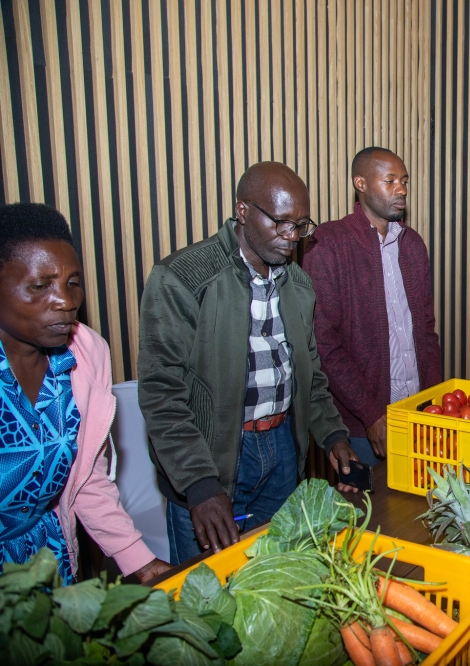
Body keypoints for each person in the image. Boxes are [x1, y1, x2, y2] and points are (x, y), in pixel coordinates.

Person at [138, 162, 359, 565]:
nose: (291, 237)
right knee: (209, 599)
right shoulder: (182, 279)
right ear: (242, 210)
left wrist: (333, 436)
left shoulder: (300, 285)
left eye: (301, 224)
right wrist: (199, 483)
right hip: (212, 459)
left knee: (277, 581)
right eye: (280, 223)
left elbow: (309, 375)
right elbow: (161, 396)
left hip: (281, 452)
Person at [0, 203, 170, 583]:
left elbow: (86, 480)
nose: (65, 301)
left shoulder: (87, 354)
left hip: (53, 563)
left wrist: (141, 562)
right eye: (40, 286)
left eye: (72, 282)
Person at [303, 147, 441, 465]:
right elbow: (324, 345)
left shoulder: (413, 245)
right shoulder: (329, 246)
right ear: (361, 183)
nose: (402, 189)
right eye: (390, 180)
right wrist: (370, 414)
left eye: (404, 181)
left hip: (419, 412)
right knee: (372, 512)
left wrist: (435, 402)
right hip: (362, 426)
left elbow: (426, 332)